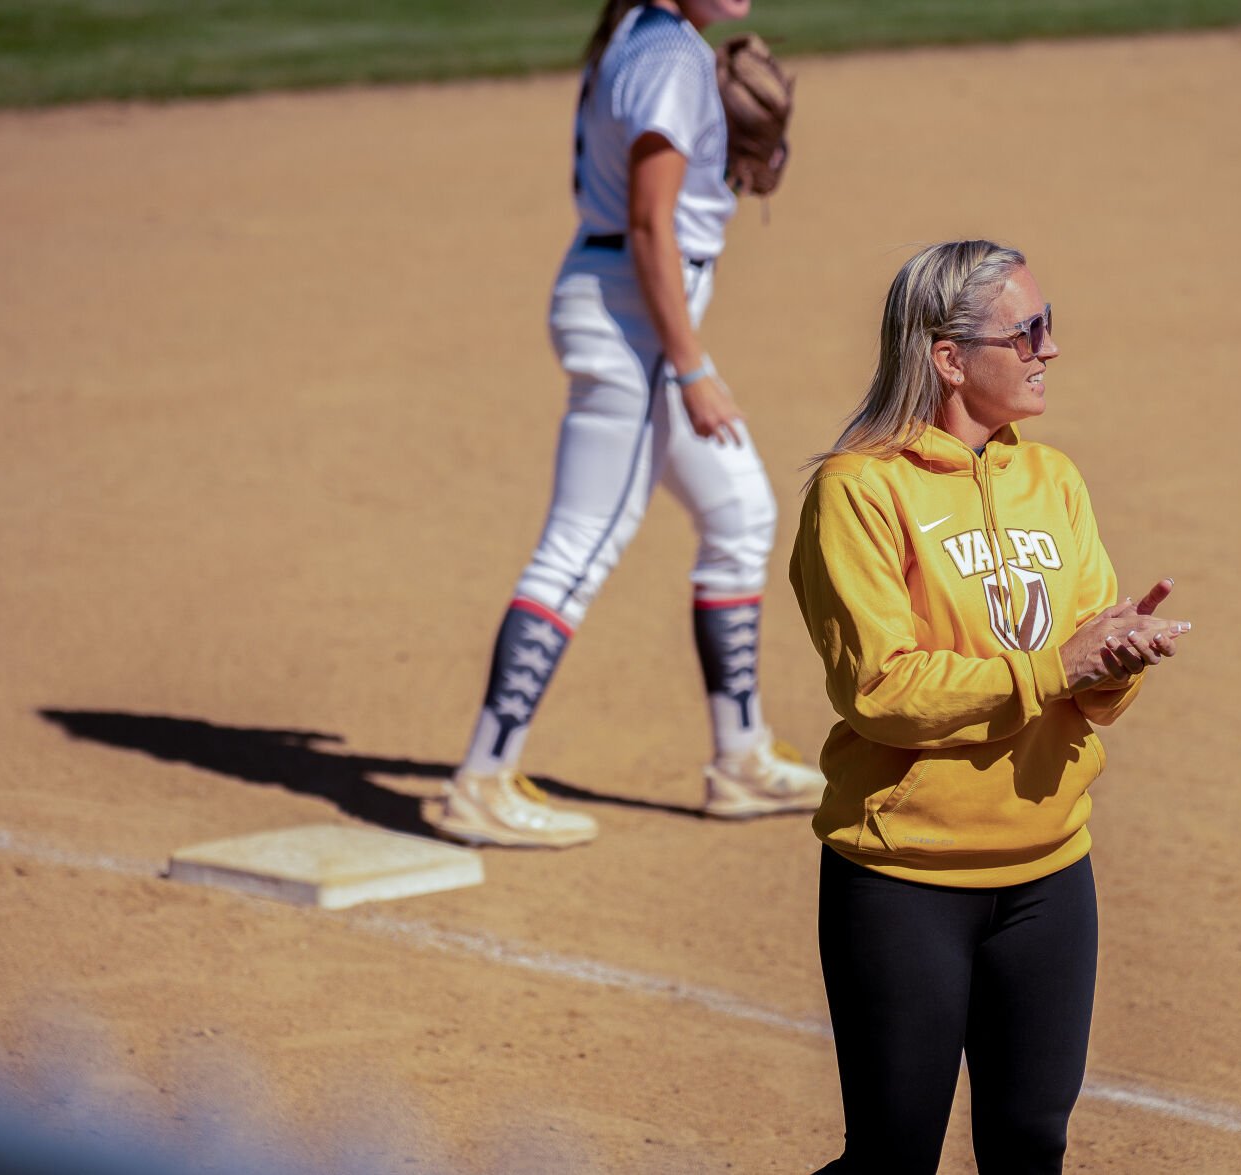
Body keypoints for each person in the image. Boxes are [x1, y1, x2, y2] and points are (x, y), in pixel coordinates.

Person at [789, 240, 1193, 1172]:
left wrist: (1117, 658)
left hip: (1050, 874)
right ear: (948, 357)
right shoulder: (858, 491)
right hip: (905, 881)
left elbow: (1087, 688)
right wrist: (1053, 668)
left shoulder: (1052, 480)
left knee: (1028, 1145)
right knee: (891, 1157)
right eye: (1028, 331)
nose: (1049, 349)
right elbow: (879, 689)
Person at [424, 0, 823, 849]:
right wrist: (691, 366)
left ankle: (741, 757)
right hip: (636, 326)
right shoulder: (672, 57)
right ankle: (482, 779)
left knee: (739, 511)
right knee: (578, 545)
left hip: (626, 308)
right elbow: (649, 223)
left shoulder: (646, 37)